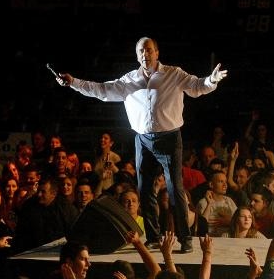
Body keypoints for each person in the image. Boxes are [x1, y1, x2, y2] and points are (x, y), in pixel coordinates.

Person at [58, 36, 227, 253]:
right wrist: (73, 83)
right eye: (140, 51)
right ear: (137, 55)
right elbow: (101, 90)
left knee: (175, 189)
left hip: (170, 137)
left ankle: (185, 238)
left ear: (157, 53)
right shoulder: (128, 80)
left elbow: (197, 86)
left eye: (148, 50)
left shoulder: (173, 74)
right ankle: (154, 237)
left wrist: (211, 80)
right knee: (145, 189)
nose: (144, 54)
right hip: (143, 139)